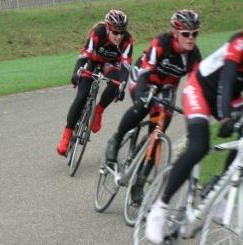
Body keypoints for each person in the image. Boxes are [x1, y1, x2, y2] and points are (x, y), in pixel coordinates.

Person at [145, 31, 243, 244]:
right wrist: (225, 118)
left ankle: (215, 190)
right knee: (200, 145)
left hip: (232, 97)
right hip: (200, 90)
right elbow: (225, 82)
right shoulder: (239, 43)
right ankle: (159, 208)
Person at [104, 10, 202, 203]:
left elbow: (195, 89)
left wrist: (194, 119)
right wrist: (141, 96)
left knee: (157, 132)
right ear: (175, 33)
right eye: (186, 34)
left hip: (166, 88)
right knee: (143, 107)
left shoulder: (193, 56)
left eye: (195, 33)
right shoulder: (162, 43)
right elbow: (144, 73)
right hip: (143, 78)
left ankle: (139, 183)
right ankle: (116, 139)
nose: (191, 38)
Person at [56, 9, 134, 156]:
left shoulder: (127, 40)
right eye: (115, 32)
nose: (118, 36)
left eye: (121, 33)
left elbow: (126, 66)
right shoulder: (98, 33)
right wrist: (76, 73)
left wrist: (122, 87)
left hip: (111, 64)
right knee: (82, 96)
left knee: (116, 82)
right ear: (108, 28)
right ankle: (66, 136)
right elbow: (84, 55)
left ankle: (98, 111)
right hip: (93, 60)